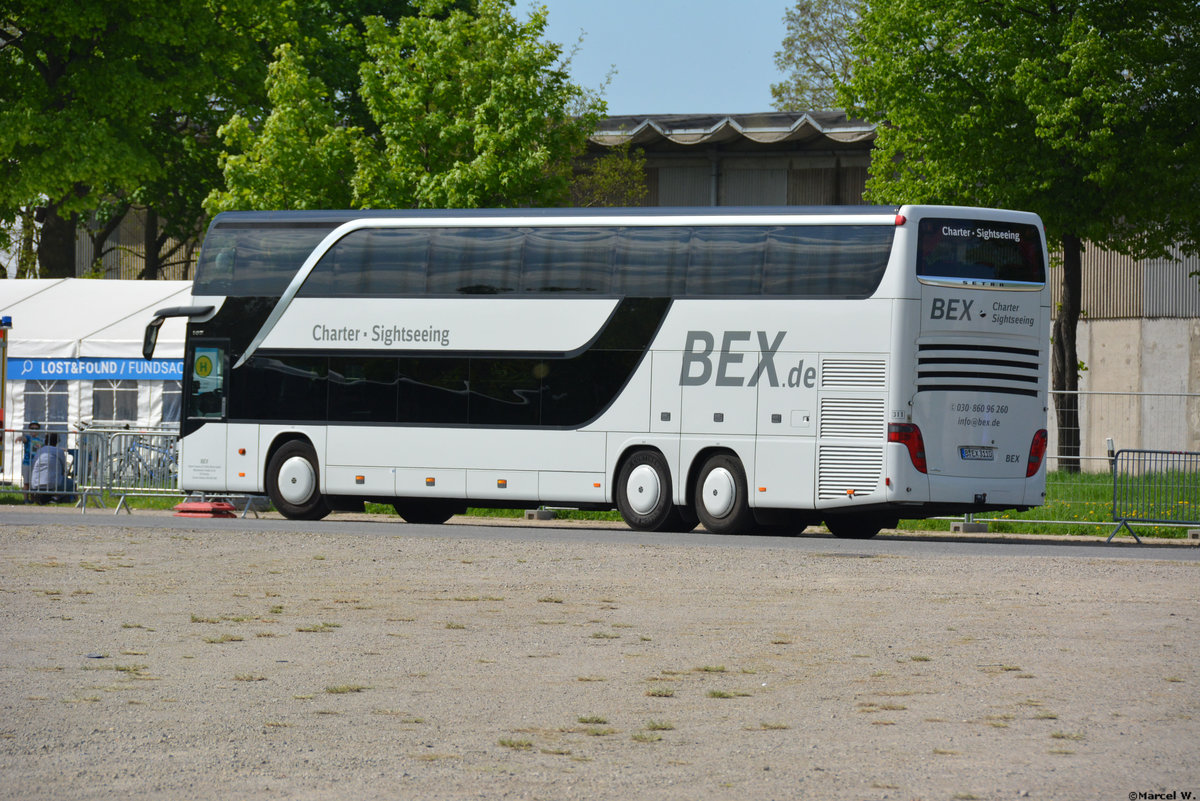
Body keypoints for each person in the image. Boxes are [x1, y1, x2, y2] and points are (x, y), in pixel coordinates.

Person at [30, 432, 75, 504]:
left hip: (36, 483)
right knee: (71, 483)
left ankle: (37, 499)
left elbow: (33, 464)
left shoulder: (40, 450)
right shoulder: (59, 451)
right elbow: (63, 467)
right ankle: (62, 499)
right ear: (57, 442)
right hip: (53, 483)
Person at [17, 421, 42, 503]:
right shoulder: (28, 437)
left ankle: (33, 499)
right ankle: (26, 499)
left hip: (36, 464)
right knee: (26, 482)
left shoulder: (40, 440)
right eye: (32, 428)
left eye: (36, 428)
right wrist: (20, 438)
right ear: (29, 429)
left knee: (33, 484)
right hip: (27, 463)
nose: (34, 430)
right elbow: (24, 439)